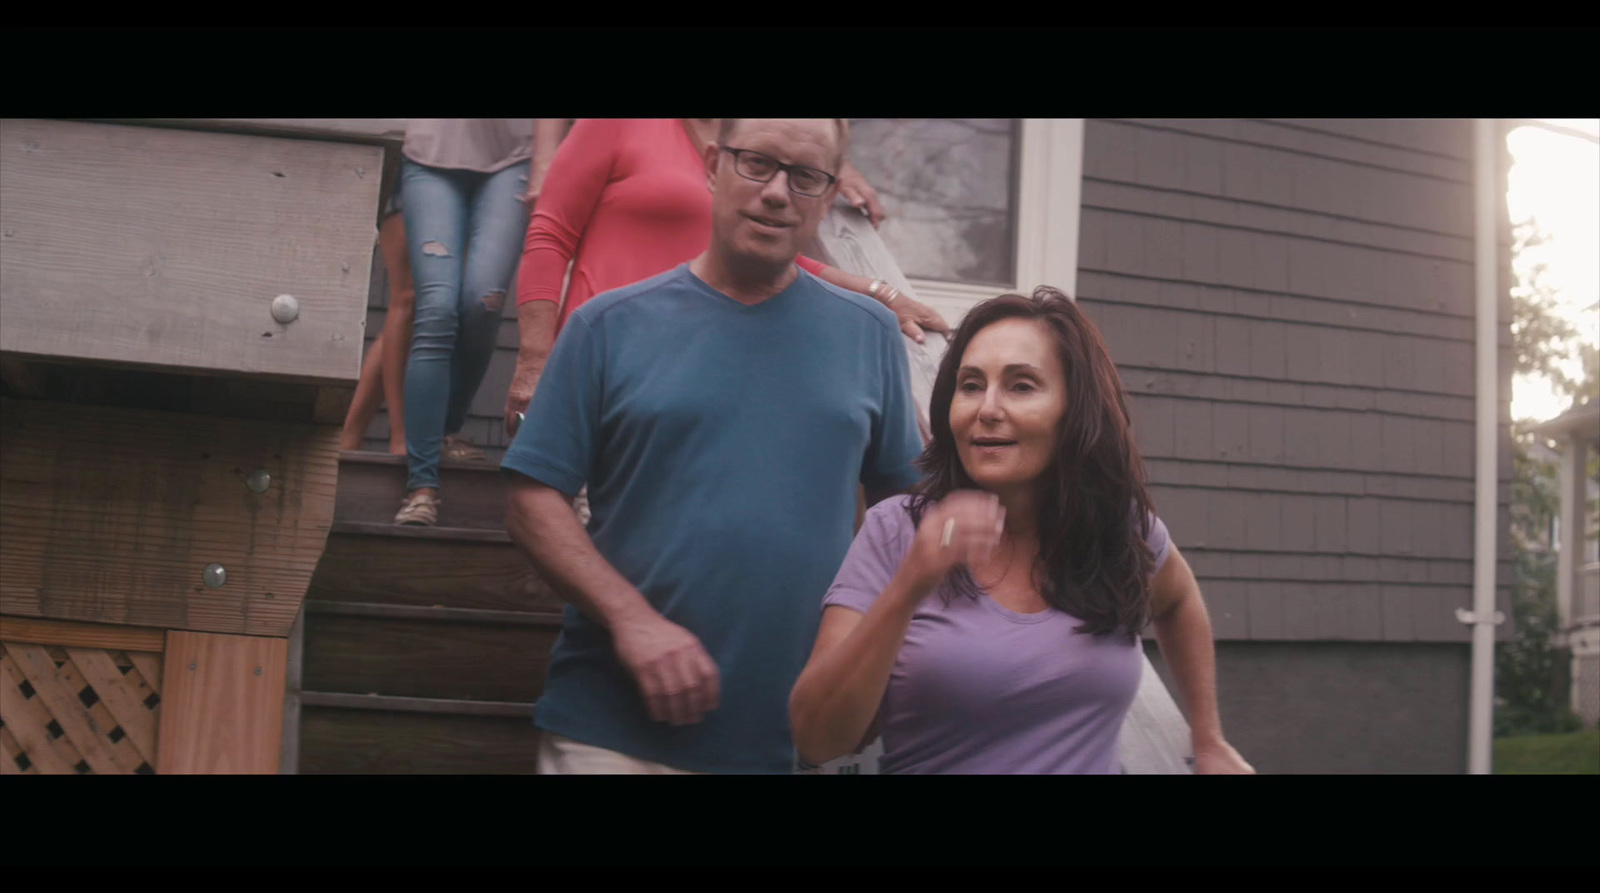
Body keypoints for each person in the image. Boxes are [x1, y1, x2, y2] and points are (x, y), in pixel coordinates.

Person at [502, 119, 924, 774]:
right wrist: (631, 618)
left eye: (805, 176)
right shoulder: (607, 325)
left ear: (829, 192)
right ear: (711, 165)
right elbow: (531, 498)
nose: (777, 192)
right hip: (613, 735)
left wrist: (866, 651)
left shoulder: (868, 335)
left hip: (788, 742)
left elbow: (904, 512)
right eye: (757, 163)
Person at [788, 287, 1256, 774]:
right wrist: (909, 586)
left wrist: (1208, 737)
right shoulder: (897, 530)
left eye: (1021, 386)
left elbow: (1178, 602)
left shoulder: (1119, 530)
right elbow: (818, 739)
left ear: (1074, 409)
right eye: (970, 385)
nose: (987, 408)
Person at [502, 117, 950, 438]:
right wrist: (534, 363)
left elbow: (784, 256)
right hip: (604, 375)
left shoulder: (758, 144)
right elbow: (550, 233)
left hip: (699, 384)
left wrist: (879, 293)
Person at [393, 119, 565, 526]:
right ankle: (421, 487)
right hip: (429, 151)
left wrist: (546, 164)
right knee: (435, 309)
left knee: (483, 303)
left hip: (515, 155)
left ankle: (447, 428)